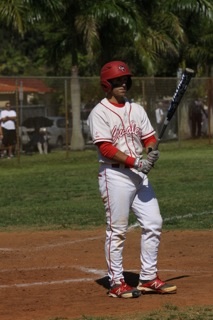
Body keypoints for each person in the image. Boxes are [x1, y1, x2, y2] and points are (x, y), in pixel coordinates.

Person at [88, 61, 177, 298]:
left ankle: (147, 278)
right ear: (107, 84)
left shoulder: (136, 109)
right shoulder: (99, 113)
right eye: (118, 80)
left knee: (153, 222)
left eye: (126, 79)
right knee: (117, 230)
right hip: (115, 175)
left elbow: (148, 137)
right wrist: (137, 162)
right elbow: (106, 148)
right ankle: (116, 283)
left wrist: (151, 150)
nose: (123, 83)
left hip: (139, 175)